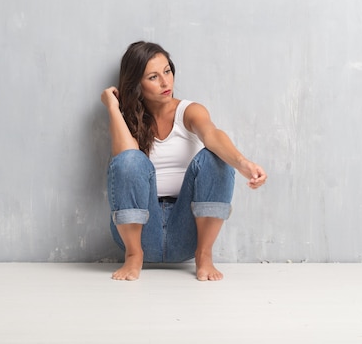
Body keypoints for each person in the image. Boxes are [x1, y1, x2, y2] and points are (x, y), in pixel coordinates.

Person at [101, 41, 267, 281]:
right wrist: (113, 108)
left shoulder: (189, 110)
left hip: (188, 231)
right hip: (141, 231)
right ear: (136, 82)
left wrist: (244, 164)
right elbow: (126, 160)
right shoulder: (129, 119)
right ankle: (133, 257)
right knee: (129, 160)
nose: (166, 82)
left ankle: (204, 257)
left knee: (215, 157)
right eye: (153, 77)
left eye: (167, 71)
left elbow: (212, 135)